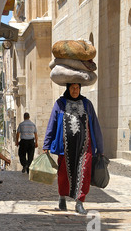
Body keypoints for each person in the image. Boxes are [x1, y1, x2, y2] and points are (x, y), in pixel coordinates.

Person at [43, 83, 104, 215]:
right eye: (72, 88)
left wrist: (100, 147)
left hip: (85, 146)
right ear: (68, 88)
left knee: (84, 172)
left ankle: (80, 202)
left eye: (77, 88)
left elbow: (95, 125)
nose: (75, 90)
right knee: (64, 173)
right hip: (65, 147)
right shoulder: (60, 103)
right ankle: (62, 197)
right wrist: (46, 144)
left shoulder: (87, 104)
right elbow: (52, 123)